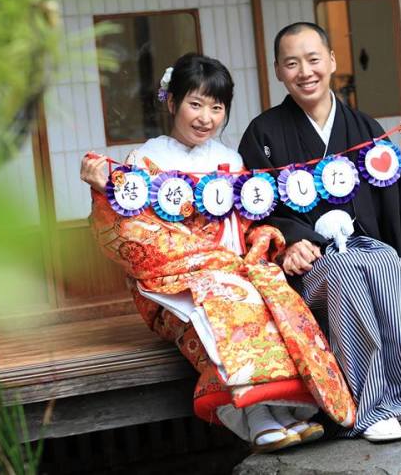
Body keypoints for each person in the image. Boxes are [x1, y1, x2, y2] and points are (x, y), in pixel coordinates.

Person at [80, 53, 355, 452]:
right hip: (172, 278)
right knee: (229, 301)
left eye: (216, 107)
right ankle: (257, 415)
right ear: (172, 103)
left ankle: (285, 408)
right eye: (195, 104)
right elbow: (131, 231)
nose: (205, 117)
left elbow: (248, 223)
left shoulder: (229, 161)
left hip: (231, 268)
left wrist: (266, 242)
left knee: (276, 297)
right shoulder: (144, 161)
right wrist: (105, 190)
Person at [238, 23, 401, 442]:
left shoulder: (365, 128)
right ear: (278, 72)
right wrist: (288, 244)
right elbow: (254, 211)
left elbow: (391, 210)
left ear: (332, 61)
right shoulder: (263, 134)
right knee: (347, 276)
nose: (305, 71)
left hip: (363, 247)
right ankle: (369, 407)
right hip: (312, 264)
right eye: (292, 63)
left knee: (392, 266)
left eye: (313, 59)